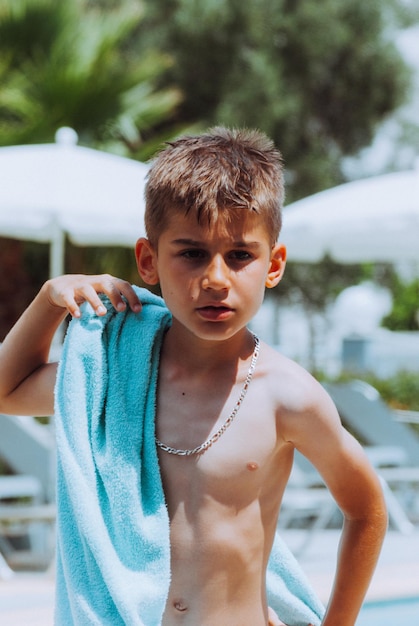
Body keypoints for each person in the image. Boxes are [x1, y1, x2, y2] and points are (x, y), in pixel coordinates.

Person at [0, 128, 387, 626]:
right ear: (148, 260)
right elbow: (7, 391)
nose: (216, 279)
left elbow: (367, 508)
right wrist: (48, 298)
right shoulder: (114, 374)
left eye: (240, 255)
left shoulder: (286, 396)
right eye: (192, 253)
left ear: (274, 265)